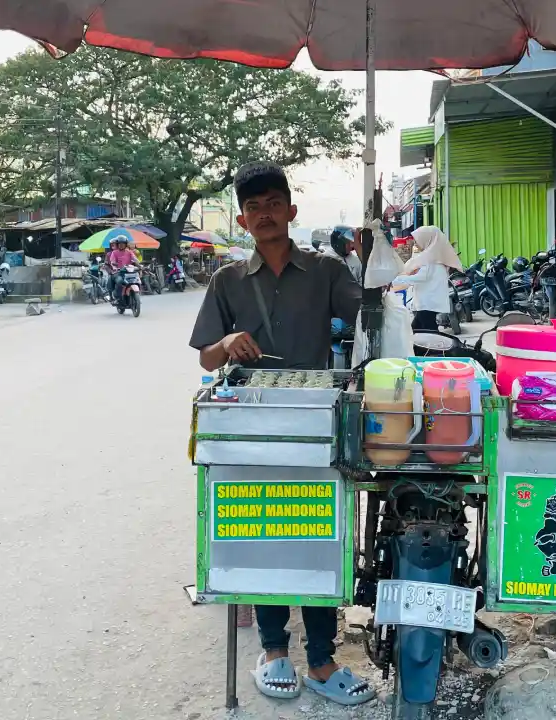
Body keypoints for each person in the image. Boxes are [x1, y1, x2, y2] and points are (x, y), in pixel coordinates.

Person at [188, 161, 374, 706]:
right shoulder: (226, 280)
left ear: (290, 210)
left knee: (317, 536)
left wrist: (369, 260)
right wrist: (227, 344)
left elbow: (369, 314)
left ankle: (321, 659)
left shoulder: (325, 272)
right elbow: (205, 355)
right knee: (262, 532)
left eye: (273, 203)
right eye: (253, 207)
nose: (264, 214)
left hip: (316, 417)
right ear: (243, 220)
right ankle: (273, 651)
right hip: (249, 420)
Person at [393, 225, 461, 332]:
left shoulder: (430, 261)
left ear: (427, 240)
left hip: (428, 304)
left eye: (418, 241)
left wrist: (393, 281)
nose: (416, 244)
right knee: (417, 332)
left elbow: (417, 278)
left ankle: (437, 348)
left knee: (427, 333)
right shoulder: (434, 259)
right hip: (427, 304)